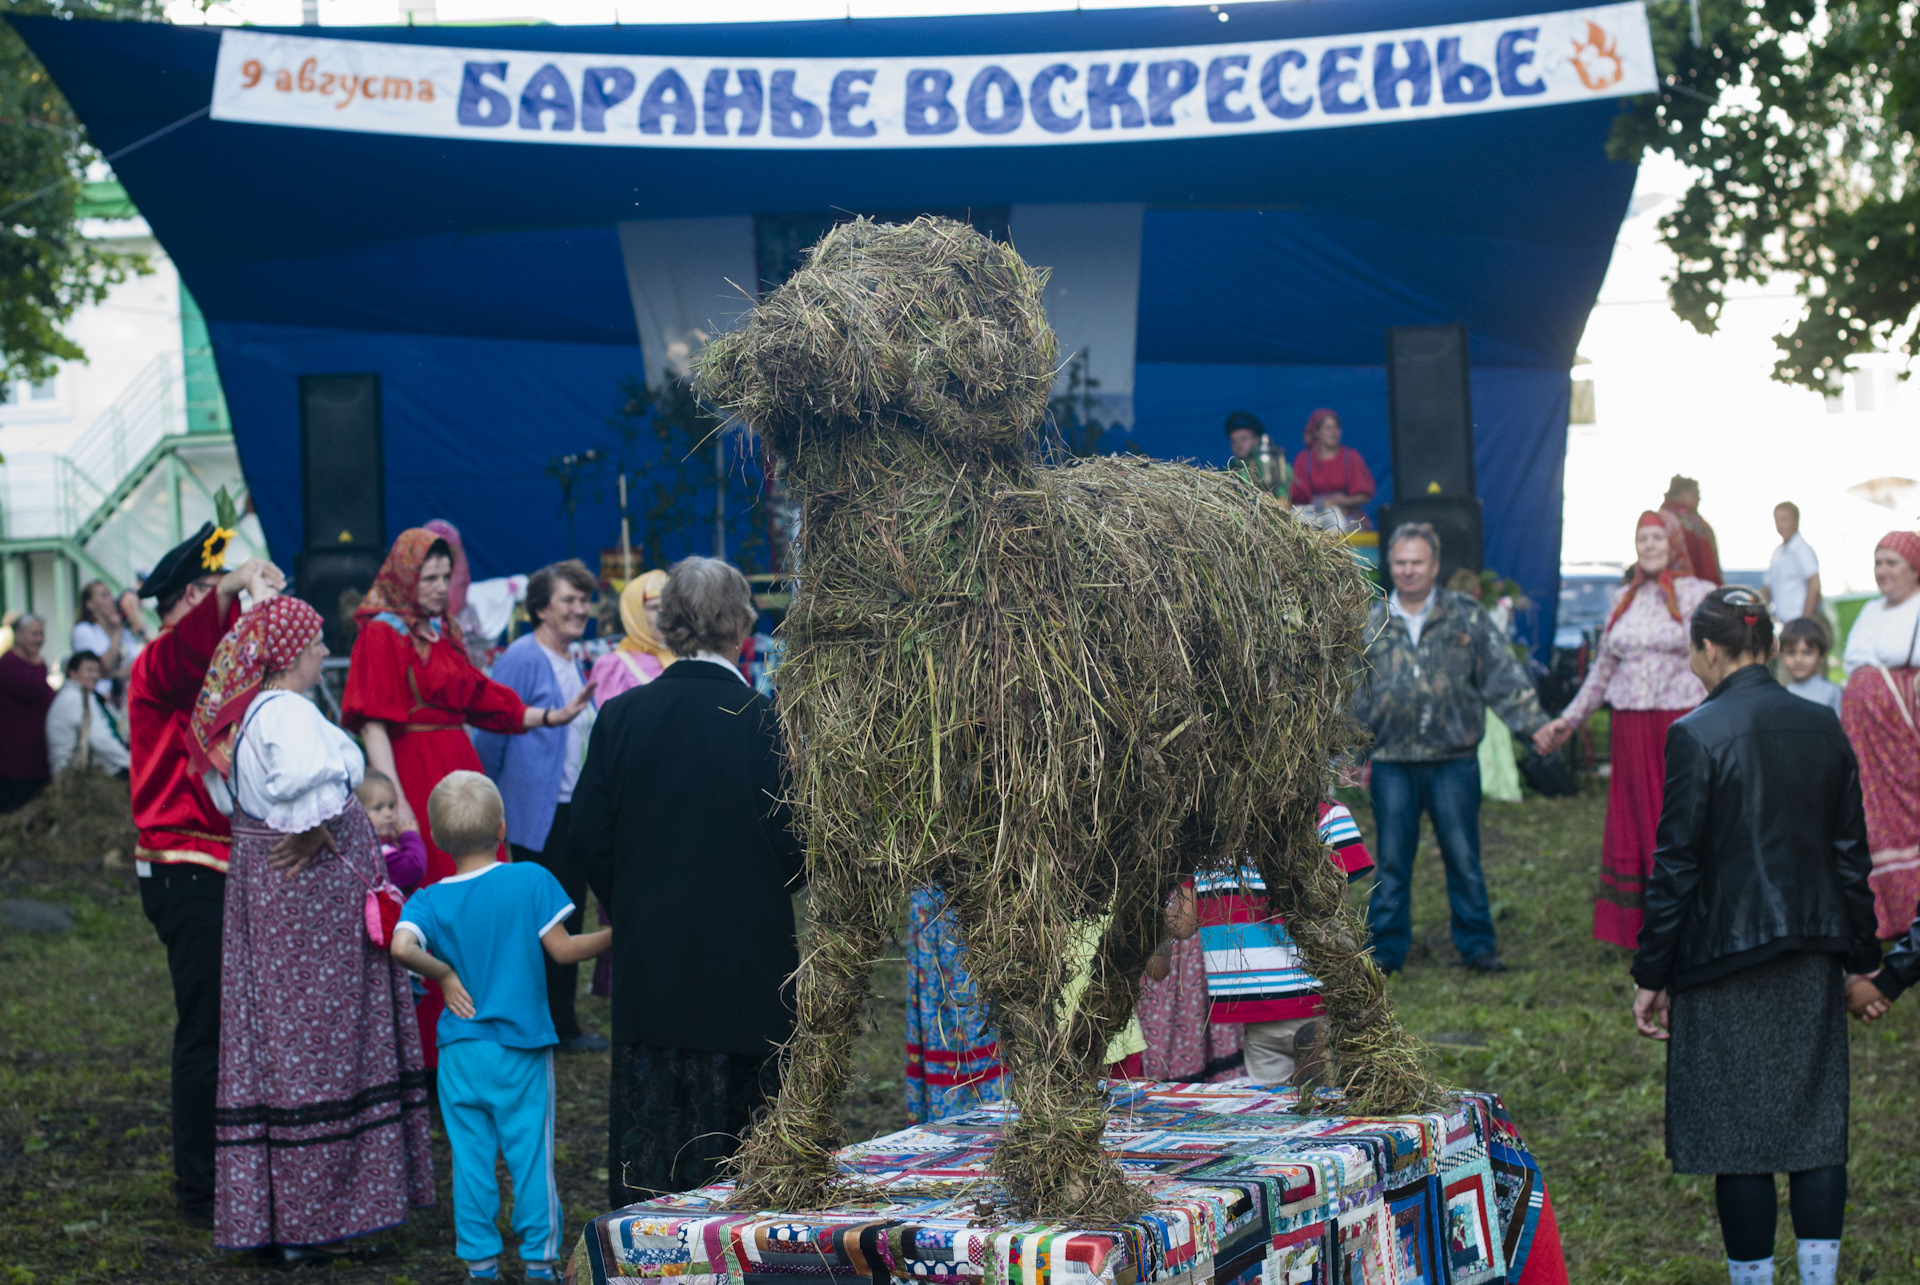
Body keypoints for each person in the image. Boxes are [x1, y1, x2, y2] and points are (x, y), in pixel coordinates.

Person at [1631, 586, 1878, 1285]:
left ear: (1710, 649)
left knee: (1738, 1137)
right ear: (1768, 646)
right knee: (1812, 1126)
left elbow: (1676, 863)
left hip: (1719, 958)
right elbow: (1849, 855)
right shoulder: (1822, 725)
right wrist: (1863, 959)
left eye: (1692, 649)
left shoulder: (1695, 732)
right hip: (1810, 952)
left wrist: (1652, 971)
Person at [188, 595, 434, 1260]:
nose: (325, 651)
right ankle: (316, 1213)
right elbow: (303, 781)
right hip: (310, 911)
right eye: (318, 641)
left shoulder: (251, 714)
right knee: (319, 1038)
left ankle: (290, 1209)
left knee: (283, 1033)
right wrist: (317, 824)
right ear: (292, 652)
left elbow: (231, 793)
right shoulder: (286, 711)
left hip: (282, 899)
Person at [572, 556, 803, 1204]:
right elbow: (801, 843)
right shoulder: (766, 722)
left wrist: (636, 902)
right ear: (741, 629)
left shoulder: (622, 718)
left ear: (670, 627)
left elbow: (589, 833)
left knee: (653, 1161)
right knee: (747, 1175)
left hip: (655, 970)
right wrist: (757, 891)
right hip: (747, 969)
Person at [342, 528, 593, 1068]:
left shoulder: (441, 631)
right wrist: (397, 802)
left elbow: (483, 700)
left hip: (459, 770)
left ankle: (487, 1028)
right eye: (426, 577)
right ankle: (431, 1051)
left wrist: (552, 716)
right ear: (404, 577)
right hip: (414, 772)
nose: (437, 587)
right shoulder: (382, 635)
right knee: (436, 907)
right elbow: (375, 724)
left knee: (484, 897)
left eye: (443, 576)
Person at [393, 771, 610, 1283]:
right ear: (502, 828)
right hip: (522, 1052)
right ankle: (539, 1263)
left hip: (460, 1053)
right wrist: (617, 934)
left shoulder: (427, 899)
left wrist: (443, 973)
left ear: (438, 838)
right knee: (530, 1158)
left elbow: (402, 948)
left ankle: (480, 1265)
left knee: (470, 1161)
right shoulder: (530, 879)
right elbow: (563, 951)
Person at [128, 522, 283, 1229]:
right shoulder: (162, 658)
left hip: (217, 863)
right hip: (184, 866)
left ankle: (234, 1165)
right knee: (207, 1029)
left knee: (228, 1024)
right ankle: (200, 1187)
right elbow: (194, 648)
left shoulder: (198, 665)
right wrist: (234, 582)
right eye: (213, 595)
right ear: (193, 596)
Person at [1353, 523, 1551, 974]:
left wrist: (1534, 726)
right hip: (1393, 763)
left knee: (1463, 858)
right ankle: (1385, 951)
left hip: (1454, 762)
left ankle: (1478, 946)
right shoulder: (1371, 618)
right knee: (1392, 862)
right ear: (1391, 564)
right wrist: (1348, 755)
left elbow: (1501, 677)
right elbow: (1355, 692)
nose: (1407, 571)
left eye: (1416, 562)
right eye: (1400, 562)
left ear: (1435, 565)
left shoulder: (1466, 615)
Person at [1534, 511, 1713, 948]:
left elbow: (1719, 662)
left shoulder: (1700, 595)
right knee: (1639, 821)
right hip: (1630, 727)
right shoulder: (1622, 599)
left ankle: (1694, 920)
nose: (1649, 546)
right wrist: (1569, 719)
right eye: (1642, 538)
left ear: (1673, 544)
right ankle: (1648, 927)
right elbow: (1602, 670)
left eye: (1657, 538)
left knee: (1681, 820)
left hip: (1682, 723)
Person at [474, 559, 606, 1054]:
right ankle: (535, 1026)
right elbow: (492, 729)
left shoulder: (572, 657)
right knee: (538, 922)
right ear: (540, 607)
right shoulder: (524, 657)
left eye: (583, 600)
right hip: (533, 813)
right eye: (569, 600)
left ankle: (562, 1024)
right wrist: (491, 804)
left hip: (570, 807)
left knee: (566, 914)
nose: (580, 609)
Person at [1193, 801, 1374, 1085]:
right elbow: (1336, 904)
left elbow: (1332, 903)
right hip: (1296, 997)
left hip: (1269, 998)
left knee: (1274, 1106)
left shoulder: (1207, 824)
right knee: (1310, 1105)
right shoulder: (1206, 824)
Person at [1838, 531, 1920, 939]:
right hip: (1869, 737)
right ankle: (1890, 915)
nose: (1882, 571)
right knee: (1874, 817)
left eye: (1892, 563)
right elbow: (1855, 659)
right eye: (1878, 562)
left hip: (1905, 725)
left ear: (1914, 568)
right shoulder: (1871, 610)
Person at [587, 569, 675, 708]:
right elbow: (609, 722)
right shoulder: (615, 665)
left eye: (669, 607)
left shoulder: (684, 657)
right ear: (635, 614)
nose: (664, 614)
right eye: (654, 607)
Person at [0, 614, 55, 812]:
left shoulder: (29, 663)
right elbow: (31, 689)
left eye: (41, 634)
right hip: (17, 760)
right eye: (34, 634)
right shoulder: (9, 663)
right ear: (19, 635)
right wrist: (40, 664)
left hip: (35, 756)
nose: (39, 639)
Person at [46, 651, 130, 776]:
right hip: (74, 780)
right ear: (72, 673)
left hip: (72, 775)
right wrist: (130, 762)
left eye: (97, 671)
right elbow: (100, 739)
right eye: (89, 670)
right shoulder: (76, 697)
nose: (95, 675)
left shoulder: (76, 694)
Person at [1288, 407, 1376, 527]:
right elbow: (1296, 496)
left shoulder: (1350, 457)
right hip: (1313, 517)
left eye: (1337, 428)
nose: (1333, 432)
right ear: (1317, 432)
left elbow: (1365, 495)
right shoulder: (1304, 459)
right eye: (1328, 428)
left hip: (1346, 516)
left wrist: (1346, 501)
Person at [356, 770, 428, 893]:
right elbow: (414, 868)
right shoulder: (376, 851)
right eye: (378, 808)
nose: (388, 814)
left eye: (391, 806)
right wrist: (409, 836)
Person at [73, 578, 139, 704]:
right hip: (100, 700)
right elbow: (104, 665)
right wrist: (116, 631)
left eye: (110, 594)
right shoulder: (83, 630)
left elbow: (136, 665)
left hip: (126, 699)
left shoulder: (124, 632)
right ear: (90, 604)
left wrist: (114, 674)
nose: (111, 600)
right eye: (104, 595)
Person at [1660, 474, 1722, 586]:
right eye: (1695, 494)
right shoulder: (1692, 523)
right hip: (1692, 590)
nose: (1699, 498)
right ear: (1683, 494)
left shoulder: (1659, 519)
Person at [1763, 502, 1821, 622]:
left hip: (1797, 625)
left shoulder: (1802, 550)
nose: (1780, 525)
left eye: (1784, 519)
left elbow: (1815, 586)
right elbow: (1767, 587)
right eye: (1777, 520)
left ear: (1796, 520)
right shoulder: (1778, 552)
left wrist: (1804, 622)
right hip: (1782, 623)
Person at [1780, 618, 1844, 717]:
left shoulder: (1831, 692)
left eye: (1807, 653)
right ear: (1781, 656)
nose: (1799, 660)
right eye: (1791, 653)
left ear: (1822, 656)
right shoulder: (1782, 694)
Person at [1223, 410, 1289, 501]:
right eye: (1234, 441)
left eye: (1243, 439)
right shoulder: (1229, 472)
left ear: (1257, 439)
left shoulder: (1279, 467)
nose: (1238, 445)